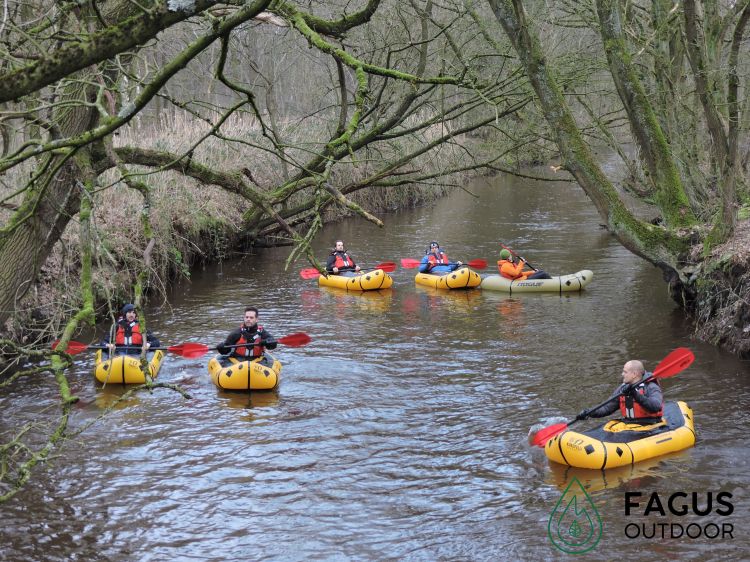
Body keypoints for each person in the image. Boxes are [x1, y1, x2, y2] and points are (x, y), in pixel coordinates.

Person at [579, 360, 664, 423]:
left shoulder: (651, 386)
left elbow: (655, 407)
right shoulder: (623, 388)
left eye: (625, 372)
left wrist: (635, 394)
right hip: (630, 425)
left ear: (634, 374)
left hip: (650, 425)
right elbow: (607, 408)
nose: (622, 374)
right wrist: (589, 412)